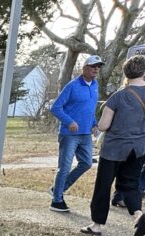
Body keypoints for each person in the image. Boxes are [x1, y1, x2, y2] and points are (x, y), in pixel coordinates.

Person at [81, 55, 145, 236]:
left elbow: (103, 126)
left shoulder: (118, 97)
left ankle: (96, 225)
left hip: (114, 149)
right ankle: (139, 214)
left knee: (103, 185)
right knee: (130, 184)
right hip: (139, 149)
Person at [50, 54, 103, 213]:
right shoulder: (72, 86)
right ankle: (56, 200)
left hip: (86, 134)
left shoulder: (95, 85)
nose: (96, 69)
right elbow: (55, 107)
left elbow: (89, 108)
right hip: (69, 134)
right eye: (93, 66)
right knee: (64, 167)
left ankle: (59, 188)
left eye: (98, 67)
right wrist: (69, 121)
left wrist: (94, 124)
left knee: (86, 163)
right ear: (85, 68)